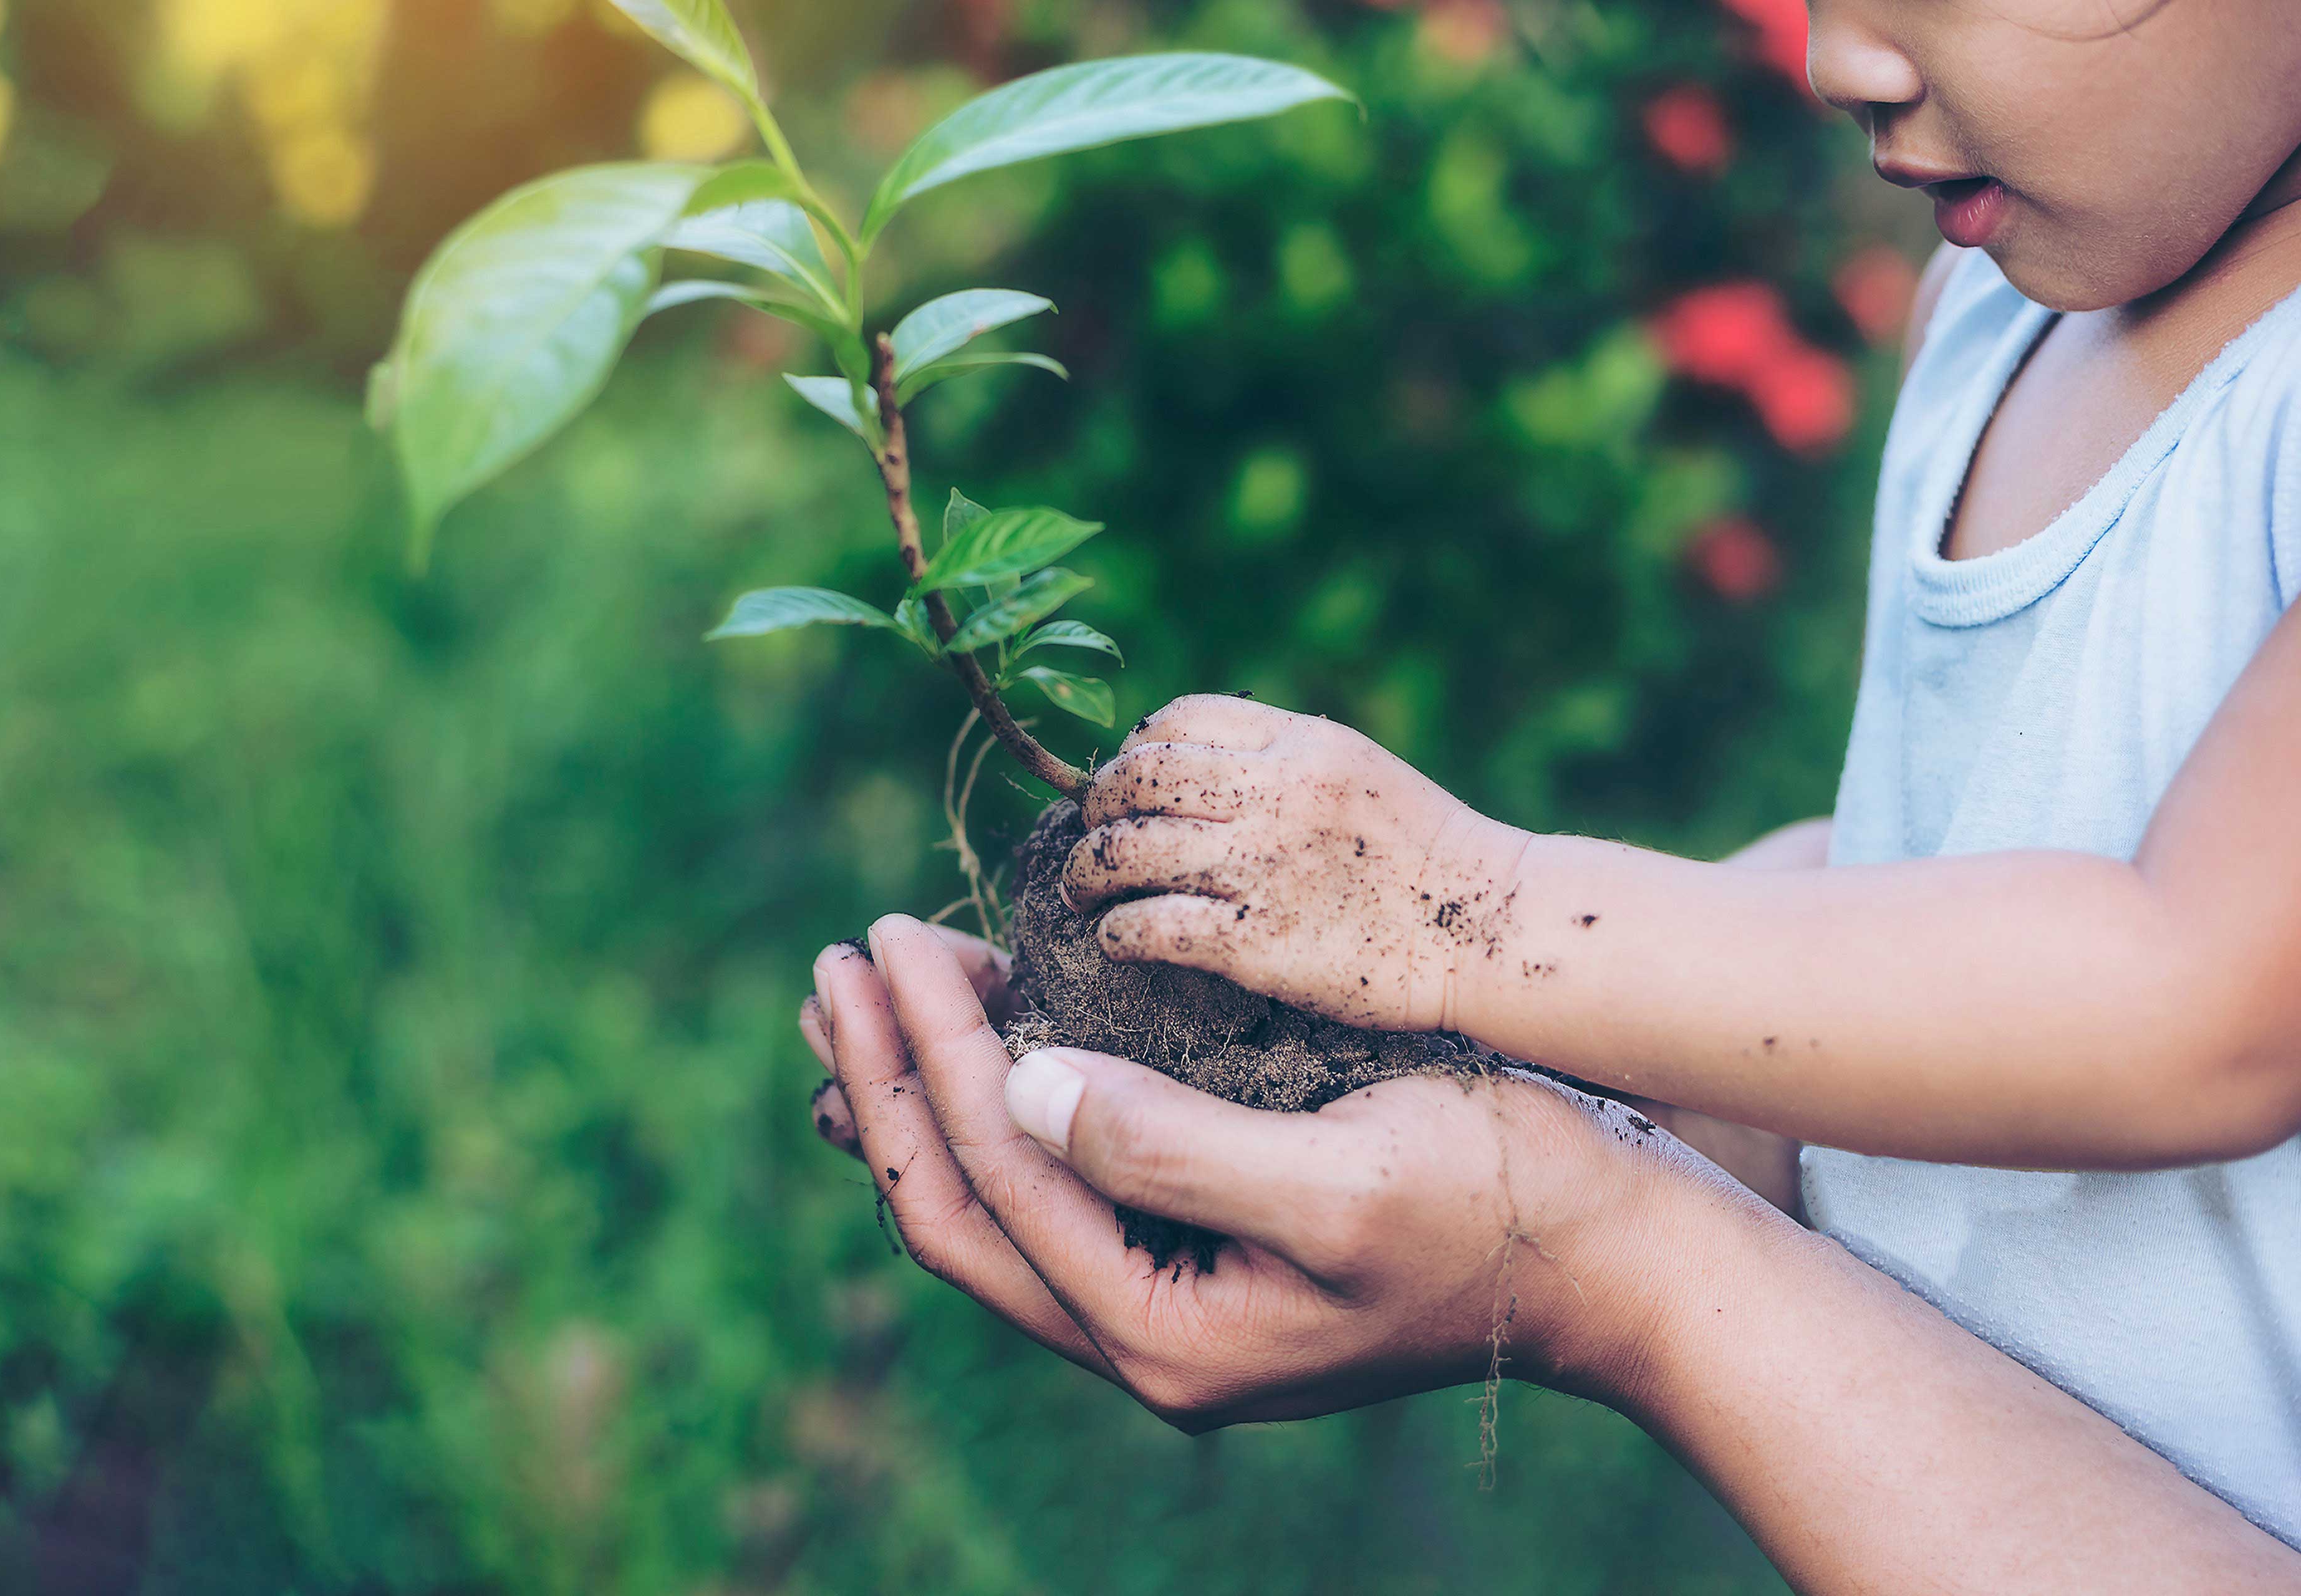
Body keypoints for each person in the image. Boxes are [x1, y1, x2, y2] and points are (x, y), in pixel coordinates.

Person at [799, 1, 2301, 1586]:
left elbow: (2199, 999)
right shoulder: (1995, 323)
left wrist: (1484, 915)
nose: (1838, 57)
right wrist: (1416, 1067)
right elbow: (1934, 872)